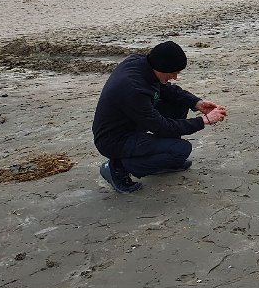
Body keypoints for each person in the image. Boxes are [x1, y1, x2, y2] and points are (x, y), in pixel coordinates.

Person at [92, 41, 227, 193]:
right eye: (173, 72)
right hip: (114, 140)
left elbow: (168, 91)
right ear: (161, 68)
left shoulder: (143, 63)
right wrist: (204, 121)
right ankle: (117, 168)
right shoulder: (133, 88)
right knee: (181, 150)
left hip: (132, 122)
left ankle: (165, 158)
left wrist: (196, 103)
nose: (175, 77)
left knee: (180, 102)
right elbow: (162, 126)